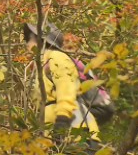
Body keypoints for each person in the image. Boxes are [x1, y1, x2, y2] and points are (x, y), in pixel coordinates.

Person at [23, 22, 100, 154]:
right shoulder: (41, 65)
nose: (27, 44)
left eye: (30, 39)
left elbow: (67, 91)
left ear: (41, 40)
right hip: (59, 137)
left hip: (76, 133)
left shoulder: (56, 57)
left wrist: (61, 123)